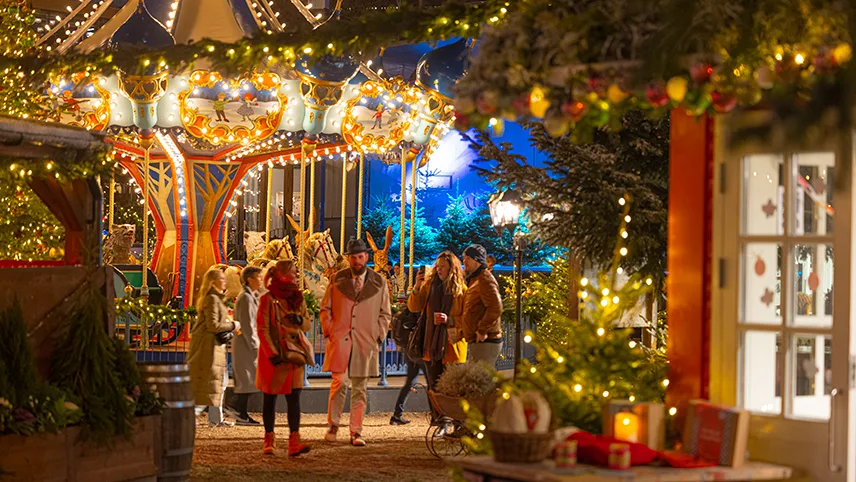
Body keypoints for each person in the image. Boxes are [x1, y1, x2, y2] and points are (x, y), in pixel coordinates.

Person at [321, 238, 392, 446]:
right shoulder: (336, 279)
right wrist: (329, 330)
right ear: (349, 258)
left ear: (366, 257)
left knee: (360, 389)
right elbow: (325, 308)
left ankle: (356, 432)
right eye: (353, 257)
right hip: (341, 340)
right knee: (339, 383)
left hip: (365, 342)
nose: (357, 261)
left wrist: (378, 335)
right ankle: (333, 425)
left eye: (360, 257)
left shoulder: (379, 282)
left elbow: (385, 313)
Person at [256, 260, 312, 456]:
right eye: (294, 272)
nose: (297, 275)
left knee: (294, 398)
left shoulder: (297, 298)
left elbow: (307, 323)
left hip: (293, 355)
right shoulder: (268, 299)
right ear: (282, 275)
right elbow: (262, 328)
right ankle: (269, 437)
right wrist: (271, 353)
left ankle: (294, 439)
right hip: (275, 355)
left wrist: (301, 321)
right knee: (270, 397)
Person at [405, 252, 468, 418]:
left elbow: (468, 318)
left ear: (451, 269)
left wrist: (450, 319)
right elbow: (414, 307)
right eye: (437, 267)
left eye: (443, 267)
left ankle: (452, 419)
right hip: (431, 344)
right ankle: (438, 418)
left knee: (451, 387)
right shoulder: (429, 285)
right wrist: (417, 287)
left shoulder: (461, 290)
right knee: (434, 385)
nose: (439, 270)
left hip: (451, 345)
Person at [189, 267, 241, 427]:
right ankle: (192, 416)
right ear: (213, 282)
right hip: (208, 346)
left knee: (218, 382)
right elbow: (213, 325)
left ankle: (215, 418)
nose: (225, 281)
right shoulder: (211, 299)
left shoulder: (216, 298)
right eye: (222, 279)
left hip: (214, 345)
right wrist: (233, 325)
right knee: (208, 383)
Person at [461, 245, 503, 365]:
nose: (464, 262)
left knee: (481, 379)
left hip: (486, 340)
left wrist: (482, 330)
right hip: (480, 340)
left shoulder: (485, 279)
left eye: (467, 259)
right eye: (464, 259)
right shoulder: (475, 278)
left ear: (477, 260)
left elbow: (495, 307)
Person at [231, 266, 263, 426]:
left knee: (248, 379)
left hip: (247, 343)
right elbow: (248, 324)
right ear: (250, 279)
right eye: (258, 277)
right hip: (246, 344)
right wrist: (255, 345)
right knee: (247, 379)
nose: (261, 280)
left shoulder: (250, 296)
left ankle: (240, 411)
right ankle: (237, 408)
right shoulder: (246, 298)